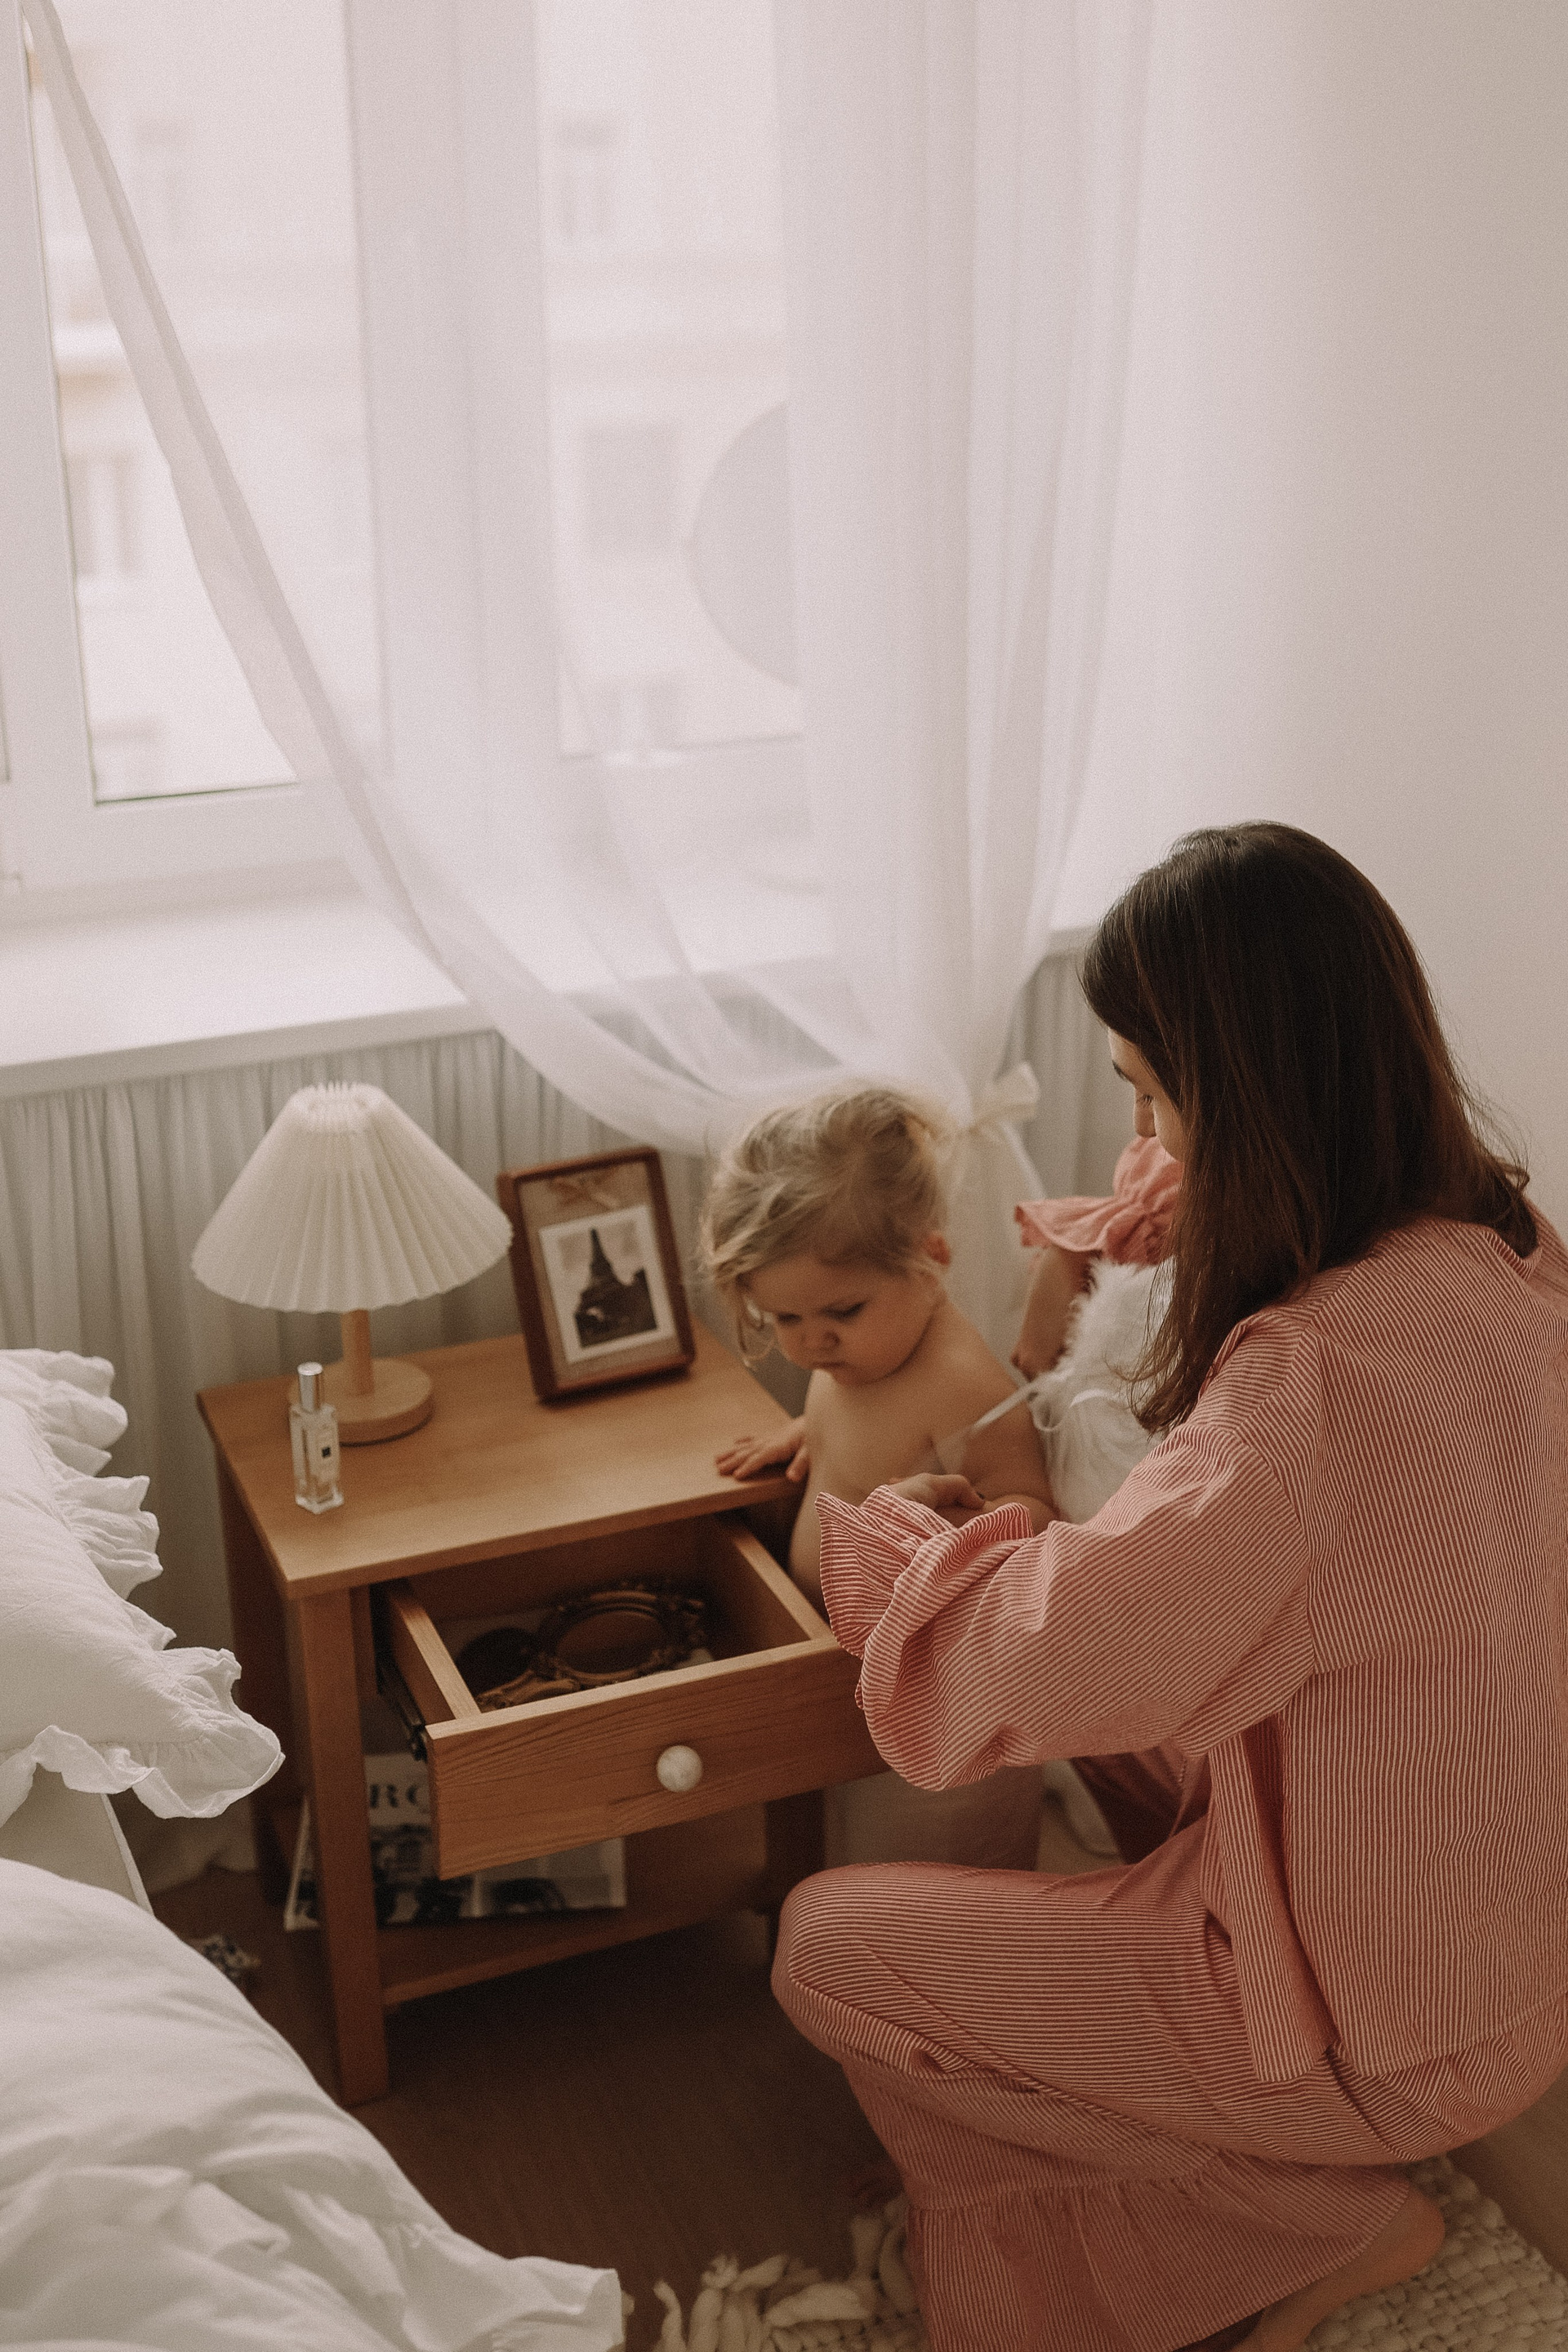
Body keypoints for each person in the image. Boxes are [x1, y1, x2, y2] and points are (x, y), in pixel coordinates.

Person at [769, 823, 1568, 2352]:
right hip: (1511, 1943)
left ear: (1245, 1091)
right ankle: (1114, 2140)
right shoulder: (1509, 1250)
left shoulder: (1307, 1388)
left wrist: (891, 1549)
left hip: (1386, 2031)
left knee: (830, 1949)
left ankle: (1322, 2218)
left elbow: (1022, 1663)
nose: (1144, 1139)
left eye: (1149, 1096)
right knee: (1131, 1741)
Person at [703, 1085, 1055, 1869]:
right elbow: (866, 1422)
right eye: (783, 1319)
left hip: (942, 1706)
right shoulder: (862, 1354)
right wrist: (812, 1431)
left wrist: (952, 1523)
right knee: (849, 1847)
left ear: (930, 1261)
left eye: (841, 1313)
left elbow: (1033, 1509)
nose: (810, 1345)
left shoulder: (959, 1384)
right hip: (853, 1675)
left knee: (939, 1872)